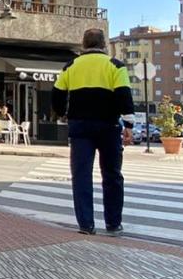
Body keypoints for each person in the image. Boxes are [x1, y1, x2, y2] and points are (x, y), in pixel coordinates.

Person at [52, 28, 134, 236]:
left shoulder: (71, 66)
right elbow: (124, 96)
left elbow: (57, 94)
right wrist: (129, 126)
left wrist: (62, 113)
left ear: (83, 45)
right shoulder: (116, 66)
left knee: (81, 176)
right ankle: (113, 223)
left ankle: (86, 225)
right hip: (109, 126)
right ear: (104, 45)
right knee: (112, 175)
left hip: (80, 127)